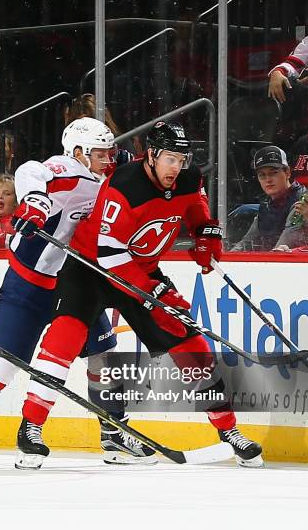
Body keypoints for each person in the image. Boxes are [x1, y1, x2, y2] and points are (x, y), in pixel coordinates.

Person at [17, 121, 263, 469]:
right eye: (169, 159)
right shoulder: (125, 184)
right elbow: (110, 254)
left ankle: (229, 430)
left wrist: (206, 235)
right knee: (64, 339)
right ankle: (31, 428)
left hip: (141, 270)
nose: (176, 167)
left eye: (182, 159)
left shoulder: (189, 179)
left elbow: (196, 207)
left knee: (188, 342)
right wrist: (153, 293)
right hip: (90, 270)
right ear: (152, 155)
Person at [0, 117, 155, 469]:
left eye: (109, 152)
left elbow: (134, 165)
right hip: (30, 282)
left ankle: (113, 431)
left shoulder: (106, 173)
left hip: (72, 281)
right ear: (79, 153)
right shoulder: (66, 169)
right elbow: (30, 169)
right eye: (100, 153)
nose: (108, 159)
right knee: (6, 360)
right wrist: (36, 202)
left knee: (105, 354)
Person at [231, 146, 306, 251]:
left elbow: (283, 246)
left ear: (287, 172)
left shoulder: (301, 201)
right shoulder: (267, 203)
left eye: (273, 173)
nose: (268, 180)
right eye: (262, 175)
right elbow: (247, 242)